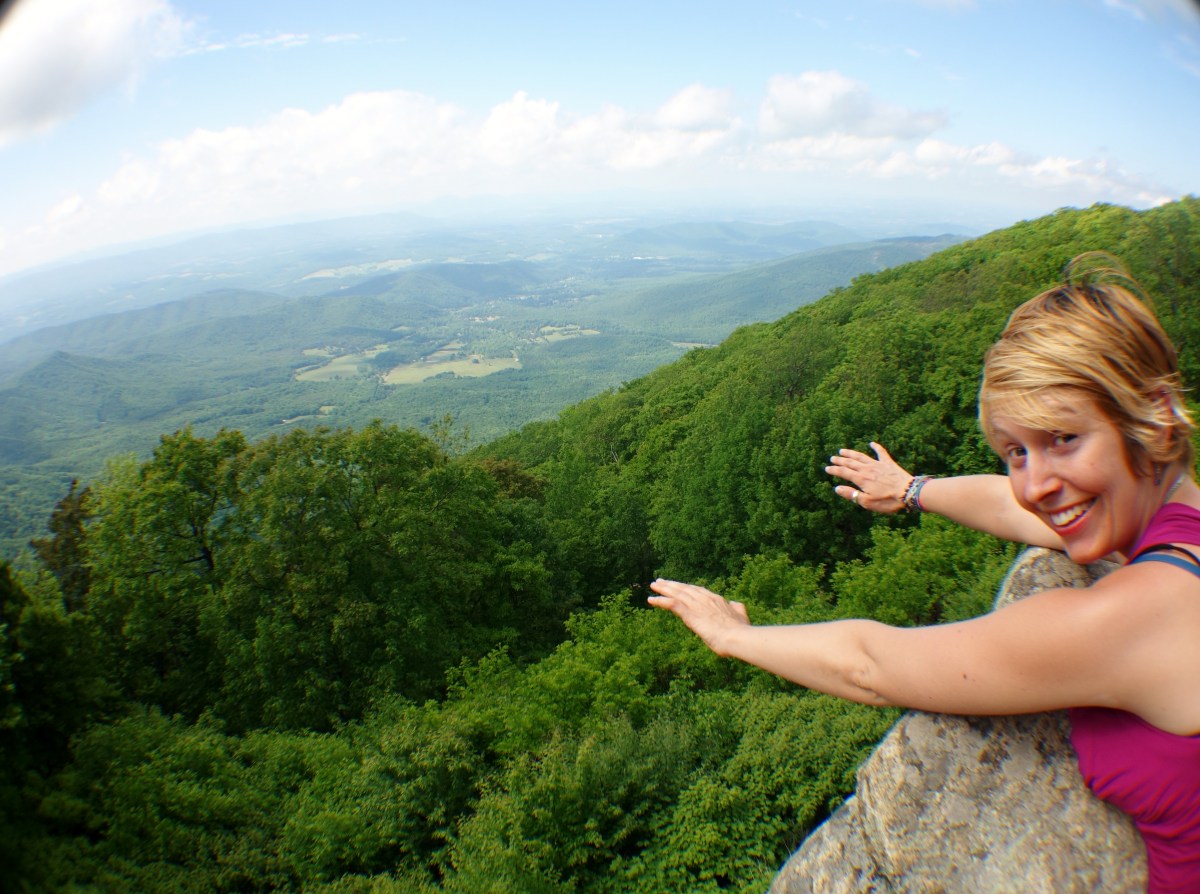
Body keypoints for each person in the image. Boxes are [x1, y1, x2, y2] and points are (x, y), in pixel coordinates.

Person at [647, 254, 1200, 893]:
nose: (1037, 483)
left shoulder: (1129, 618)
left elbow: (872, 664)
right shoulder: (1177, 517)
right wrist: (911, 490)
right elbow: (1011, 504)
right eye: (1016, 451)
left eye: (1064, 439)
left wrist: (733, 636)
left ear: (1154, 414)